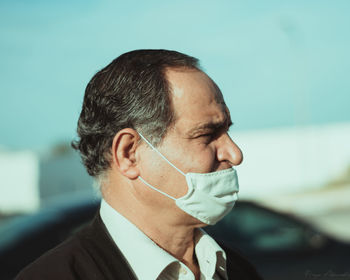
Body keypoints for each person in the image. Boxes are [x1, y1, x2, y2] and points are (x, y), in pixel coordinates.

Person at [16, 49, 263, 280]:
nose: (235, 153)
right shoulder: (56, 275)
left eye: (227, 131)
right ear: (128, 154)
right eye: (206, 135)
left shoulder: (237, 269)